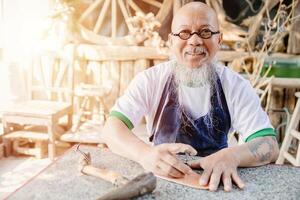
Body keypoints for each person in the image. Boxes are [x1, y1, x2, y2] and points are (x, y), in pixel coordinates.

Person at [102, 2, 279, 192]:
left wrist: (233, 156)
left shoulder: (235, 86)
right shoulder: (151, 80)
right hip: (162, 183)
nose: (194, 41)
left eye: (205, 32)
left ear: (219, 40)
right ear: (171, 41)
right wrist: (145, 154)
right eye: (184, 33)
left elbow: (269, 144)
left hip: (215, 183)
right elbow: (112, 129)